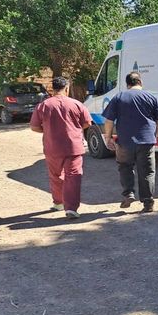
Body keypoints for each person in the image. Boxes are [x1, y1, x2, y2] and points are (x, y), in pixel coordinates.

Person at [29, 77, 92, 219]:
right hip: (73, 147)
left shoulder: (43, 105)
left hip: (52, 147)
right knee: (73, 176)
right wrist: (75, 129)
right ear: (67, 88)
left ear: (52, 89)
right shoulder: (76, 104)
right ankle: (71, 208)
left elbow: (34, 127)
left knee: (55, 176)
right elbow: (87, 123)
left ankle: (58, 203)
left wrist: (48, 131)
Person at [102, 72, 158, 212]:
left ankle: (129, 193)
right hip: (147, 141)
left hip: (125, 141)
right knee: (147, 171)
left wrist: (108, 137)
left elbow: (109, 120)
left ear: (127, 84)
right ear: (140, 82)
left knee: (125, 166)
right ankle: (148, 202)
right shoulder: (151, 97)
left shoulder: (119, 97)